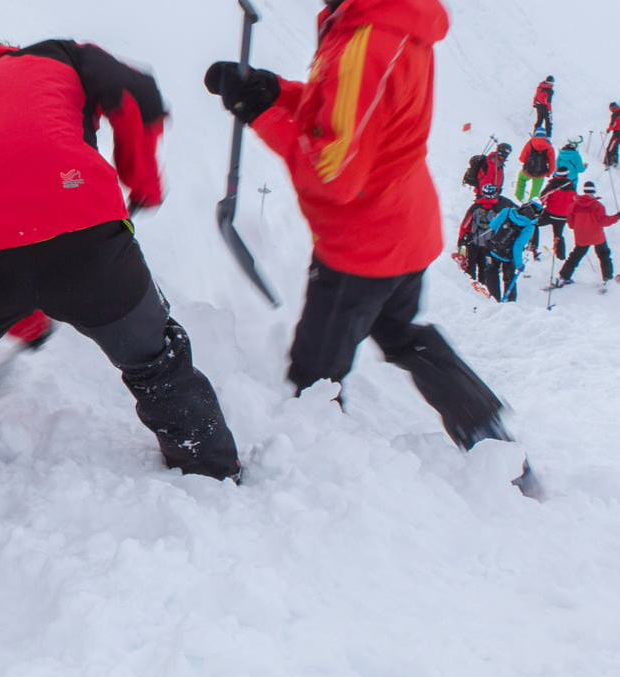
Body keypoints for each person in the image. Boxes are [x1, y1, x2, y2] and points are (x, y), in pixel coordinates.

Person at [203, 0, 537, 496]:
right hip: (401, 226)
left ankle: (315, 490)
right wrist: (276, 92)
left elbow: (333, 173)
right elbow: (347, 114)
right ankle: (488, 435)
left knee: (316, 376)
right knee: (400, 333)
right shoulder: (379, 16)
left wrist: (263, 113)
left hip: (362, 246)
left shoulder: (367, 40)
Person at [0, 39, 240, 480]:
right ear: (5, 51)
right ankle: (211, 470)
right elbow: (137, 94)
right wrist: (142, 179)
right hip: (91, 244)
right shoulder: (60, 55)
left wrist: (21, 318)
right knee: (157, 360)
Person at [556, 181, 620, 285]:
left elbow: (571, 224)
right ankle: (607, 278)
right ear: (594, 191)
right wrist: (617, 217)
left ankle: (564, 276)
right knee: (604, 255)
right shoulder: (598, 206)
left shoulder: (574, 205)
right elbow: (604, 221)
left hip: (582, 236)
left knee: (575, 256)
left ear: (584, 190)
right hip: (597, 235)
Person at [483, 198, 539, 301]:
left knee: (492, 271)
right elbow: (518, 246)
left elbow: (492, 225)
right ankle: (510, 302)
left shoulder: (507, 211)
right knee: (509, 278)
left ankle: (493, 298)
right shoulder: (529, 226)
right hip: (508, 256)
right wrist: (519, 264)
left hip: (494, 248)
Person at [454, 188, 505, 297]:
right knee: (485, 269)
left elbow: (465, 225)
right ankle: (484, 291)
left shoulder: (475, 207)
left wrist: (461, 240)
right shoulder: (499, 209)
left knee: (471, 266)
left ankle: (470, 291)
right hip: (489, 245)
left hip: (474, 241)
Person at [539, 168, 577, 260]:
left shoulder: (553, 184)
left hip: (550, 214)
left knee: (533, 223)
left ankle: (532, 245)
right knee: (558, 234)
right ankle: (561, 256)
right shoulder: (571, 186)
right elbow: (574, 202)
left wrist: (541, 206)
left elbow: (542, 197)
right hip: (563, 217)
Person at [515, 127, 555, 201]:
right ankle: (531, 203)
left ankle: (519, 197)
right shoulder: (549, 147)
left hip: (528, 171)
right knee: (535, 191)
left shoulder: (530, 143)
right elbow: (552, 162)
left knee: (521, 179)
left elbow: (522, 158)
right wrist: (549, 172)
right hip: (541, 173)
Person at [473, 142, 510, 207]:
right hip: (485, 199)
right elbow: (486, 182)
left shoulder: (497, 162)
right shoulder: (492, 164)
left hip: (491, 196)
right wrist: (489, 194)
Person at [606, 102, 620, 170]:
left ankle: (608, 162)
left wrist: (609, 129)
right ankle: (615, 161)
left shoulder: (615, 114)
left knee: (610, 147)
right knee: (615, 146)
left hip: (617, 133)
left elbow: (612, 124)